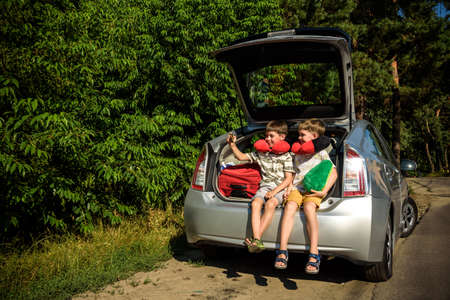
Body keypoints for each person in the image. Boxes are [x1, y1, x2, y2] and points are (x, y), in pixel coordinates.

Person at [274, 118, 337, 275]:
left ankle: (314, 253)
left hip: (313, 190)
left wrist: (324, 191)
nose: (299, 138)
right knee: (289, 207)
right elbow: (294, 173)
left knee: (309, 208)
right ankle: (282, 251)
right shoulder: (297, 154)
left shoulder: (321, 154)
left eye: (302, 135)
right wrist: (289, 188)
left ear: (314, 136)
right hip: (297, 187)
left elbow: (333, 171)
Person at [226, 120, 295, 253]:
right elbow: (240, 157)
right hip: (265, 187)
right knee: (256, 204)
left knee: (270, 205)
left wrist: (274, 192)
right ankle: (257, 240)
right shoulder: (261, 154)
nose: (267, 139)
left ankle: (255, 240)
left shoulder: (286, 156)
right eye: (266, 136)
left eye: (271, 136)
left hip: (280, 188)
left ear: (282, 137)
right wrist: (232, 145)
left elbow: (288, 180)